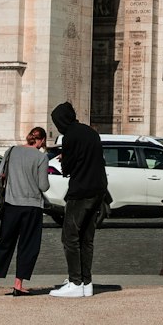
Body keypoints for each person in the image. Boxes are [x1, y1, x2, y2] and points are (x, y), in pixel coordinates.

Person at [49, 101, 107, 298]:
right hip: (98, 189)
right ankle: (86, 281)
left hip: (80, 190)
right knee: (87, 238)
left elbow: (68, 169)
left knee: (70, 237)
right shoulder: (91, 133)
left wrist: (64, 159)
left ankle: (75, 282)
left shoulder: (69, 137)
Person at [0, 127, 50, 297]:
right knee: (27, 245)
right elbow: (43, 186)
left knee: (4, 243)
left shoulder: (11, 151)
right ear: (42, 140)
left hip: (11, 205)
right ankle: (18, 285)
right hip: (32, 207)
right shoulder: (41, 157)